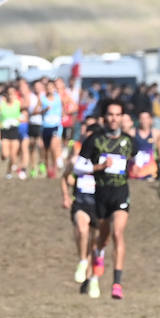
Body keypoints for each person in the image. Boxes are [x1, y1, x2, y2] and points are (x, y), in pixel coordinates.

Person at [80, 99, 135, 299]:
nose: (114, 118)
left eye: (118, 115)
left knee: (118, 234)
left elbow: (134, 157)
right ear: (105, 117)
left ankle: (117, 283)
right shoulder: (94, 140)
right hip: (101, 195)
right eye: (111, 114)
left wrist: (135, 167)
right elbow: (79, 165)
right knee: (102, 239)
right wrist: (98, 167)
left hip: (120, 193)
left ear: (122, 117)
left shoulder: (129, 141)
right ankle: (99, 254)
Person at [62, 118, 100, 288]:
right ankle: (83, 261)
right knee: (82, 230)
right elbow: (65, 176)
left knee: (95, 243)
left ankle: (91, 278)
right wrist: (66, 196)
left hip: (98, 202)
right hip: (81, 199)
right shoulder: (78, 159)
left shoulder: (104, 158)